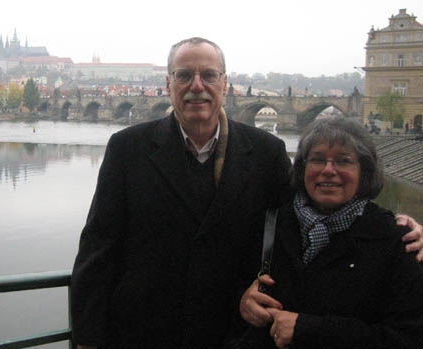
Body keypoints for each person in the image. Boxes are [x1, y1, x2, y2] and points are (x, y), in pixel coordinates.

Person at [71, 38, 423, 349]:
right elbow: (98, 249)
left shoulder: (266, 150)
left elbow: (311, 207)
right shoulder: (127, 147)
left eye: (209, 75)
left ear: (225, 84)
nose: (197, 85)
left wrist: (396, 225)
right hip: (141, 331)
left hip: (228, 327)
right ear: (168, 84)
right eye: (184, 75)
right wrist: (87, 338)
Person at [238, 117, 423, 348]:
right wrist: (243, 301)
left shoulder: (398, 241)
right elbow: (225, 288)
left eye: (343, 161)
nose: (328, 170)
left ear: (364, 172)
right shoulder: (271, 223)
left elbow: (408, 337)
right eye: (317, 160)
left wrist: (308, 330)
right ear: (303, 168)